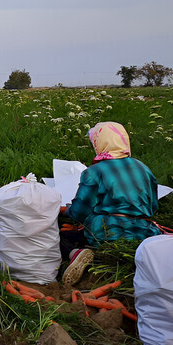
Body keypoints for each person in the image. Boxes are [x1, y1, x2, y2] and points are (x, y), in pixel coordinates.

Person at [59, 122, 162, 288]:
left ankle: (77, 253)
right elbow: (153, 207)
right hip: (147, 233)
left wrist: (65, 210)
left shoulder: (94, 171)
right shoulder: (144, 168)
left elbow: (79, 211)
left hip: (108, 232)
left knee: (60, 237)